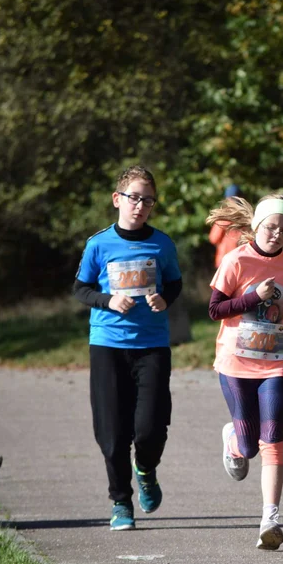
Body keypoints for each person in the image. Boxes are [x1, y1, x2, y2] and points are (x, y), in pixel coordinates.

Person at [73, 166, 182, 531]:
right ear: (118, 199)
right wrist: (108, 301)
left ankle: (146, 469)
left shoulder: (162, 244)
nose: (140, 206)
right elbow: (81, 289)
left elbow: (175, 285)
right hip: (107, 345)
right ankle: (121, 501)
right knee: (112, 431)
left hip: (152, 345)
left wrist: (165, 300)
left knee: (150, 428)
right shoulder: (98, 244)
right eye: (134, 198)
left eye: (147, 200)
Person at [206, 193, 283, 550]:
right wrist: (252, 297)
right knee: (249, 446)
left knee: (274, 438)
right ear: (256, 226)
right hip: (236, 363)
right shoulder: (236, 260)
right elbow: (215, 309)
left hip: (276, 363)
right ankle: (233, 439)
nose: (276, 234)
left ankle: (270, 519)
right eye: (270, 227)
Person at [208, 183, 243, 268]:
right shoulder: (246, 215)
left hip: (225, 259)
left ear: (227, 198)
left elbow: (213, 238)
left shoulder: (224, 216)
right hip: (242, 259)